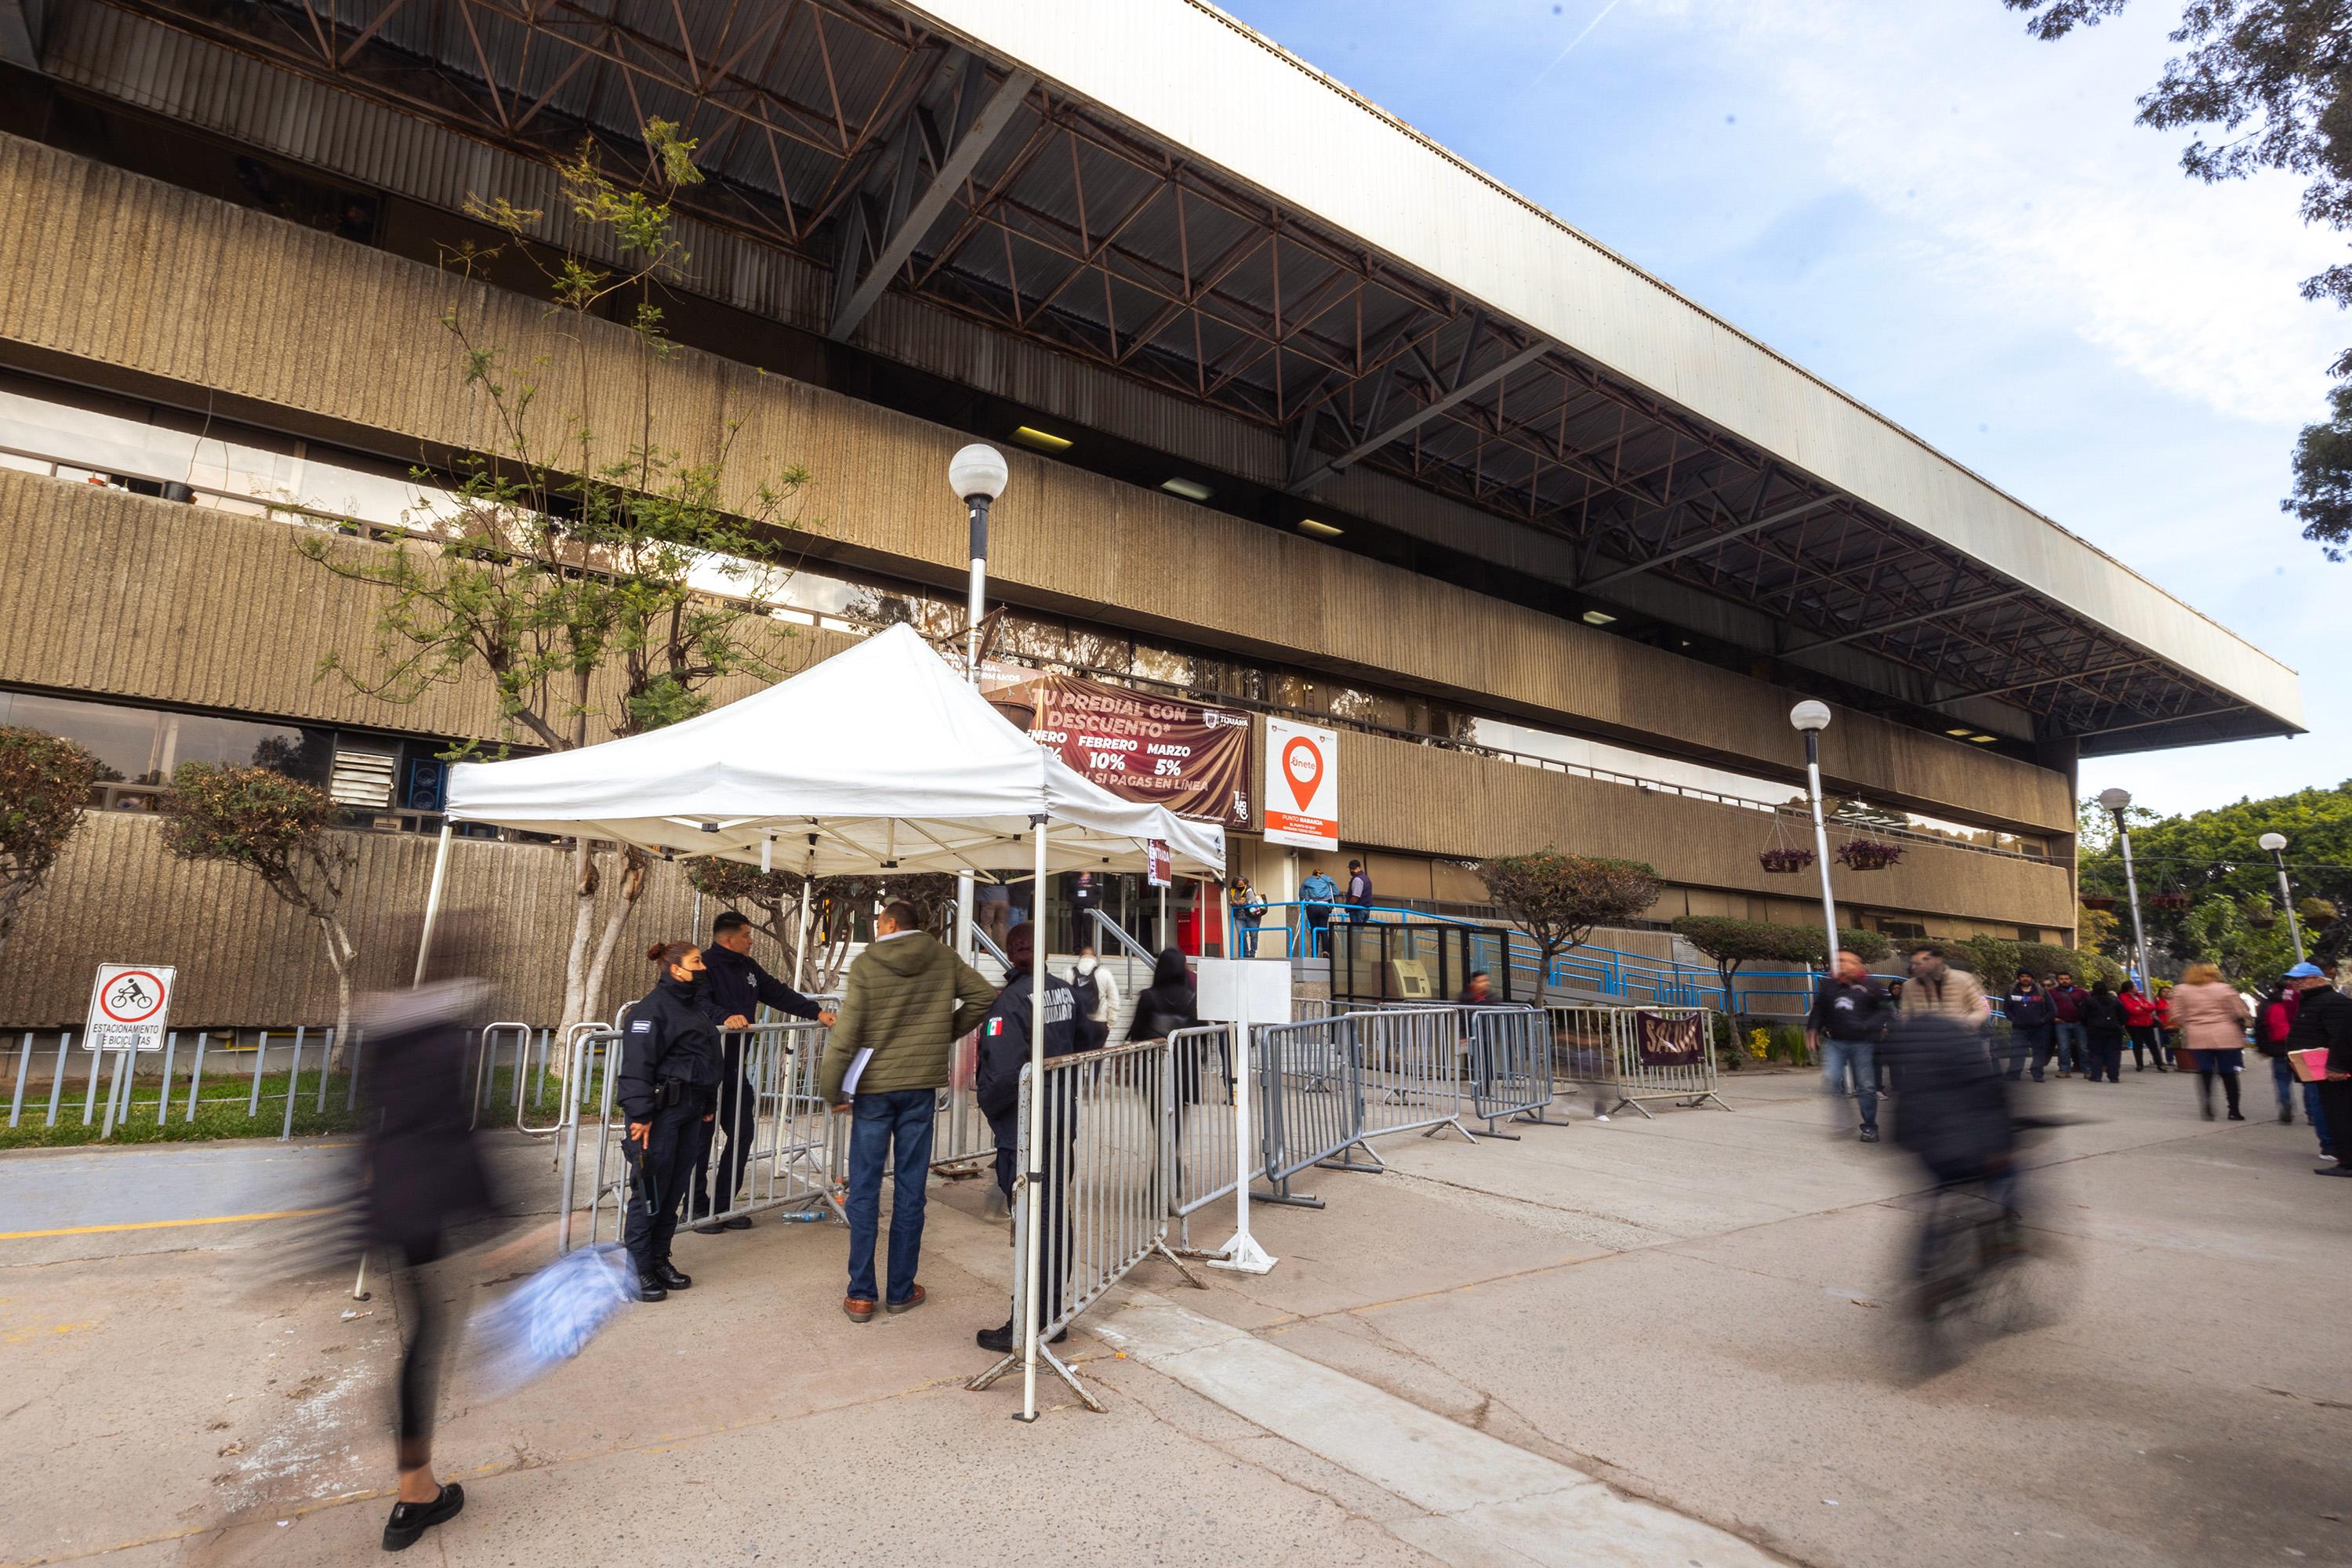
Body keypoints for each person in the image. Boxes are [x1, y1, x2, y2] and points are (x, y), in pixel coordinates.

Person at [352, 950, 501, 1552]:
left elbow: (371, 1118)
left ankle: (416, 1488)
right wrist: (497, 1215)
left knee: (421, 1339)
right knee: (429, 1341)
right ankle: (414, 1495)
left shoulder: (382, 1028)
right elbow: (451, 1125)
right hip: (433, 1205)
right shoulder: (444, 1038)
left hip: (390, 1201)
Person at [817, 899, 996, 1322]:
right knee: (911, 1191)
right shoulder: (943, 956)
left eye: (878, 922)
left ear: (891, 923)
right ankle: (900, 1289)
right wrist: (941, 1034)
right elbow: (982, 996)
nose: (877, 928)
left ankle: (861, 1294)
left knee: (863, 1190)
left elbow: (849, 1030)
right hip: (919, 1089)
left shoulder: (868, 963)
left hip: (874, 1090)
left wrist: (832, 1086)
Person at [973, 922, 1086, 1353]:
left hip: (1025, 1125)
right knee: (1055, 1212)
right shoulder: (1063, 991)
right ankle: (1051, 1311)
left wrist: (989, 1103)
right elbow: (1086, 1038)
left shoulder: (1010, 1002)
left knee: (1034, 1219)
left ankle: (1030, 1318)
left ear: (1011, 951)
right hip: (1059, 1116)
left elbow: (1000, 1077)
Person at [691, 911, 837, 1234]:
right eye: (747, 935)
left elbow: (778, 992)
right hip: (703, 1068)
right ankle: (696, 1207)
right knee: (701, 1137)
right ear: (729, 938)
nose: (751, 939)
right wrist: (725, 1017)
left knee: (742, 1131)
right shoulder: (705, 966)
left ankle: (724, 1206)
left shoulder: (747, 967)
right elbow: (698, 1004)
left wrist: (816, 1011)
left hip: (733, 1066)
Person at [619, 942, 723, 1300]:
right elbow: (636, 1068)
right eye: (697, 962)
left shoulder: (693, 1008)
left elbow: (705, 1058)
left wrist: (708, 1101)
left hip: (692, 1110)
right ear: (676, 969)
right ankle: (638, 1268)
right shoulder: (650, 1012)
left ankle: (660, 1258)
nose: (703, 967)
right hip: (659, 1117)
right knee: (649, 1192)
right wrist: (640, 1115)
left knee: (675, 1188)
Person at [1807, 948, 1893, 1142]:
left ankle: (1870, 1126)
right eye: (1838, 960)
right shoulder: (1830, 985)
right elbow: (1819, 1009)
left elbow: (1886, 1010)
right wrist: (1813, 1029)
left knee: (1866, 1086)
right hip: (1835, 1041)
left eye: (1846, 960)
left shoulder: (1871, 985)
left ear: (1857, 964)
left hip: (1862, 1043)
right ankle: (1843, 1122)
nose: (1841, 964)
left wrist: (1868, 1026)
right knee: (1831, 1080)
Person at [2280, 961, 2352, 1175]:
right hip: (2321, 1071)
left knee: (2341, 1116)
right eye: (2293, 980)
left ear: (2319, 980)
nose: (2296, 984)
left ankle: (2347, 1162)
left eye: (2301, 979)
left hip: (2335, 1072)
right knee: (2334, 1114)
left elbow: (2343, 1038)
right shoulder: (2312, 1001)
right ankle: (2344, 1158)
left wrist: (2337, 1066)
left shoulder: (2333, 1002)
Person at [2169, 961, 2252, 1122]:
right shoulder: (2224, 989)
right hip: (2226, 1035)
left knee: (2205, 1071)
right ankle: (2234, 1110)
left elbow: (2176, 1014)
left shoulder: (2182, 990)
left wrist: (2190, 1023)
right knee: (2229, 1073)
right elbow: (2238, 1012)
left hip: (2198, 1035)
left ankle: (2207, 1106)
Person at [2256, 975, 2323, 1147]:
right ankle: (2311, 1114)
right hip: (2301, 1046)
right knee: (2308, 1081)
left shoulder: (2268, 1003)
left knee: (2281, 1079)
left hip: (2279, 1047)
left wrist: (2263, 1047)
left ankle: (2286, 1104)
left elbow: (2261, 1025)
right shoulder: (2304, 1000)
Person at [1905, 946, 1990, 1029]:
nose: (1915, 967)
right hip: (1924, 1038)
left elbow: (1982, 1008)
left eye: (1926, 960)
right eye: (1914, 963)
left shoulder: (1963, 979)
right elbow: (1905, 1015)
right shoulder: (1909, 986)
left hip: (1959, 1037)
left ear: (1938, 960)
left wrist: (1967, 1023)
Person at [2003, 972, 2055, 1082]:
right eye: (2022, 976)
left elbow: (2053, 1010)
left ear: (2032, 978)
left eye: (2028, 977)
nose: (2025, 979)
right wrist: (2014, 1019)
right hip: (2019, 1028)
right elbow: (2007, 1009)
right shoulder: (2012, 991)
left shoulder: (2041, 991)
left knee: (2039, 1052)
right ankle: (2014, 1074)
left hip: (2039, 1029)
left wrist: (2042, 1021)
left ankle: (2037, 1074)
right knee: (2017, 1051)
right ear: (2018, 978)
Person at [1070, 944, 1120, 1051]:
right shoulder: (1104, 973)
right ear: (1095, 957)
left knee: (1077, 1058)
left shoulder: (1069, 973)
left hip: (1077, 1023)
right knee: (1097, 1057)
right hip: (1099, 1022)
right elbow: (1114, 1000)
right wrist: (1110, 1023)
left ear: (1080, 956)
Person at [2080, 978, 2127, 1083]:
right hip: (2114, 1031)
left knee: (2096, 1053)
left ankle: (2096, 1076)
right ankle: (2114, 1076)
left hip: (2095, 1031)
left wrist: (2089, 1025)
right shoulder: (2115, 1001)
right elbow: (2124, 1017)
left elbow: (2082, 1016)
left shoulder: (2089, 1001)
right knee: (2114, 1054)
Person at [2047, 971, 2089, 1079]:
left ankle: (2088, 1070)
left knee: (2084, 1048)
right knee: (2063, 1048)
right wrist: (2053, 1018)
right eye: (2061, 979)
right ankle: (2064, 1070)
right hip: (2062, 1024)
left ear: (2071, 980)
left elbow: (2090, 1005)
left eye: (2066, 978)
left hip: (2079, 1024)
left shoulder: (2081, 992)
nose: (2064, 980)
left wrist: (2084, 1019)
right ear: (2058, 980)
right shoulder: (2052, 993)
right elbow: (2045, 1007)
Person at [2120, 982, 2166, 1072]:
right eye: (2135, 986)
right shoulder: (2124, 997)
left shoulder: (2140, 997)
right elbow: (2132, 1010)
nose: (2136, 987)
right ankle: (2139, 1064)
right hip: (2134, 1024)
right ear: (2129, 988)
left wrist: (2141, 1007)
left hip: (2147, 1023)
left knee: (2153, 1044)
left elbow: (2151, 1007)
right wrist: (2143, 1008)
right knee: (2138, 1044)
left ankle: (2159, 1064)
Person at [1300, 865, 1339, 949]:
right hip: (1324, 907)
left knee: (1314, 930)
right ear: (1322, 874)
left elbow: (1302, 893)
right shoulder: (1327, 880)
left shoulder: (1307, 880)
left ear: (1313, 874)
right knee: (1324, 930)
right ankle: (1325, 951)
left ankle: (1314, 953)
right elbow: (1336, 892)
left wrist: (1303, 898)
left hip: (1311, 907)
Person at [1229, 877, 1268, 956]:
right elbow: (1231, 901)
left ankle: (1252, 953)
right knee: (1241, 935)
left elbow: (1250, 901)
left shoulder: (1249, 890)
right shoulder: (1232, 891)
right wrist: (1236, 903)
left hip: (1252, 916)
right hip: (1239, 917)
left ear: (1245, 884)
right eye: (1239, 885)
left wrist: (1239, 903)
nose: (1241, 886)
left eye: (1242, 884)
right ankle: (1245, 953)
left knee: (1253, 935)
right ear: (1235, 885)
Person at [977, 880, 1012, 949]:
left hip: (989, 899)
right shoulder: (1003, 878)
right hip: (1004, 900)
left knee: (986, 925)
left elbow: (979, 894)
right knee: (1001, 924)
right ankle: (1003, 948)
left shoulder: (984, 878)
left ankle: (989, 948)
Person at [1068, 870, 1099, 946]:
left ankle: (1087, 949)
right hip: (1077, 908)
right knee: (1076, 930)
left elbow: (1099, 894)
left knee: (1087, 931)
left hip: (1088, 909)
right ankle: (1077, 949)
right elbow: (1069, 893)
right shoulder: (1075, 881)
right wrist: (1075, 900)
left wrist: (1091, 902)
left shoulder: (1094, 881)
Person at [1345, 858, 1373, 924]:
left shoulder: (1357, 879)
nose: (1351, 870)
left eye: (1353, 868)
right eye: (1350, 868)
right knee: (1358, 932)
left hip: (1357, 910)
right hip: (1366, 909)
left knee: (1355, 932)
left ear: (1359, 868)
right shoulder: (1366, 878)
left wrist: (1348, 906)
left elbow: (1355, 897)